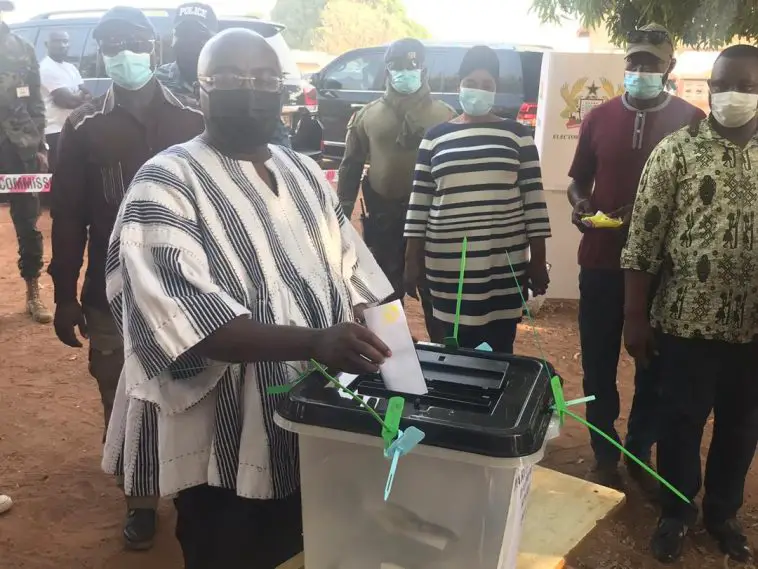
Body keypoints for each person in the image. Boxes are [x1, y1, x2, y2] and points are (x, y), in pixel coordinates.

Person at [101, 28, 393, 569]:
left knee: (304, 546)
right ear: (200, 89)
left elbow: (356, 278)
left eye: (263, 79)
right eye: (231, 78)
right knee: (229, 551)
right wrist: (314, 341)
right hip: (222, 438)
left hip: (310, 421)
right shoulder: (165, 181)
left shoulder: (302, 172)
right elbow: (185, 320)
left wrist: (399, 359)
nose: (251, 90)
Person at [48, 6, 204, 551]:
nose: (122, 52)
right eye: (110, 43)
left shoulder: (195, 118)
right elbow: (66, 216)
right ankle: (139, 498)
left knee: (192, 381)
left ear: (154, 48)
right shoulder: (83, 125)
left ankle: (193, 487)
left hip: (191, 288)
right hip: (110, 294)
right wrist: (63, 296)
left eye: (133, 40)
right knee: (121, 393)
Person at [622, 44, 758, 564]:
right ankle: (677, 512)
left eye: (747, 85)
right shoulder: (676, 151)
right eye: (725, 84)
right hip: (684, 321)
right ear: (709, 86)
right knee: (680, 419)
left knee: (741, 425)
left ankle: (723, 513)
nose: (734, 95)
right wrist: (635, 317)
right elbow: (642, 244)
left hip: (751, 331)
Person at [566, 23, 705, 490]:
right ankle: (604, 451)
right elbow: (577, 180)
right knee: (598, 364)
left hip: (665, 272)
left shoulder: (692, 121)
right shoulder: (599, 117)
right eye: (634, 62)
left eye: (651, 62)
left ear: (670, 67)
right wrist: (581, 205)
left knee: (655, 365)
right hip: (601, 261)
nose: (641, 70)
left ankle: (639, 446)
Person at [403, 45, 550, 352]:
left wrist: (537, 262)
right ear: (459, 85)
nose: (478, 91)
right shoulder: (434, 137)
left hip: (502, 266)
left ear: (497, 89)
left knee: (499, 354)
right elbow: (419, 205)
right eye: (471, 82)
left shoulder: (518, 136)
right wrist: (410, 263)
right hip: (446, 267)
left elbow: (534, 205)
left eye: (488, 85)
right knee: (451, 354)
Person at [338, 38, 455, 340]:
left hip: (434, 224)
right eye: (398, 66)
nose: (405, 71)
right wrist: (339, 213)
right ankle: (394, 364)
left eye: (412, 65)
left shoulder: (445, 116)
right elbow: (350, 167)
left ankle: (445, 360)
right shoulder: (367, 116)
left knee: (437, 295)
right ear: (388, 69)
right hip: (384, 220)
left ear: (423, 68)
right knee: (386, 296)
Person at [156, 2, 292, 147]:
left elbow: (272, 135)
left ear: (214, 42)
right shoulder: (158, 82)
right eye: (184, 34)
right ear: (173, 40)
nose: (190, 42)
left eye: (199, 36)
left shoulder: (237, 80)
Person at [0, 0, 51, 324]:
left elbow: (35, 98)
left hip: (19, 146)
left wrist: (40, 143)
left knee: (28, 220)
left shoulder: (21, 48)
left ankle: (33, 290)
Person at [39, 30, 90, 170]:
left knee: (73, 171)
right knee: (59, 174)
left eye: (65, 41)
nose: (62, 45)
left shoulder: (70, 67)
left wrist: (76, 97)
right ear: (46, 44)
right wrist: (78, 97)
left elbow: (87, 94)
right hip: (54, 131)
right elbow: (66, 101)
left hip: (72, 128)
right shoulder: (46, 68)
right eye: (57, 41)